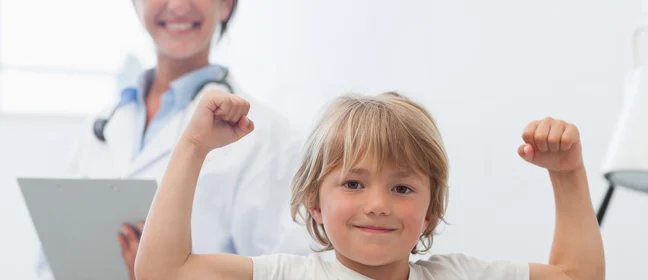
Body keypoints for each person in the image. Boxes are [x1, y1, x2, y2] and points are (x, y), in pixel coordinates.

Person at [135, 91, 605, 280]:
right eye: (354, 183)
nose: (377, 205)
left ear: (431, 210)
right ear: (312, 202)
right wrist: (193, 146)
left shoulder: (454, 276)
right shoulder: (288, 276)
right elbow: (163, 271)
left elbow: (578, 277)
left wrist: (567, 174)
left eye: (402, 189)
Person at [37, 0, 312, 279]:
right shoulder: (99, 128)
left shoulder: (265, 135)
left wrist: (162, 271)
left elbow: (289, 271)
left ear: (226, 5)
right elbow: (50, 263)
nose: (178, 5)